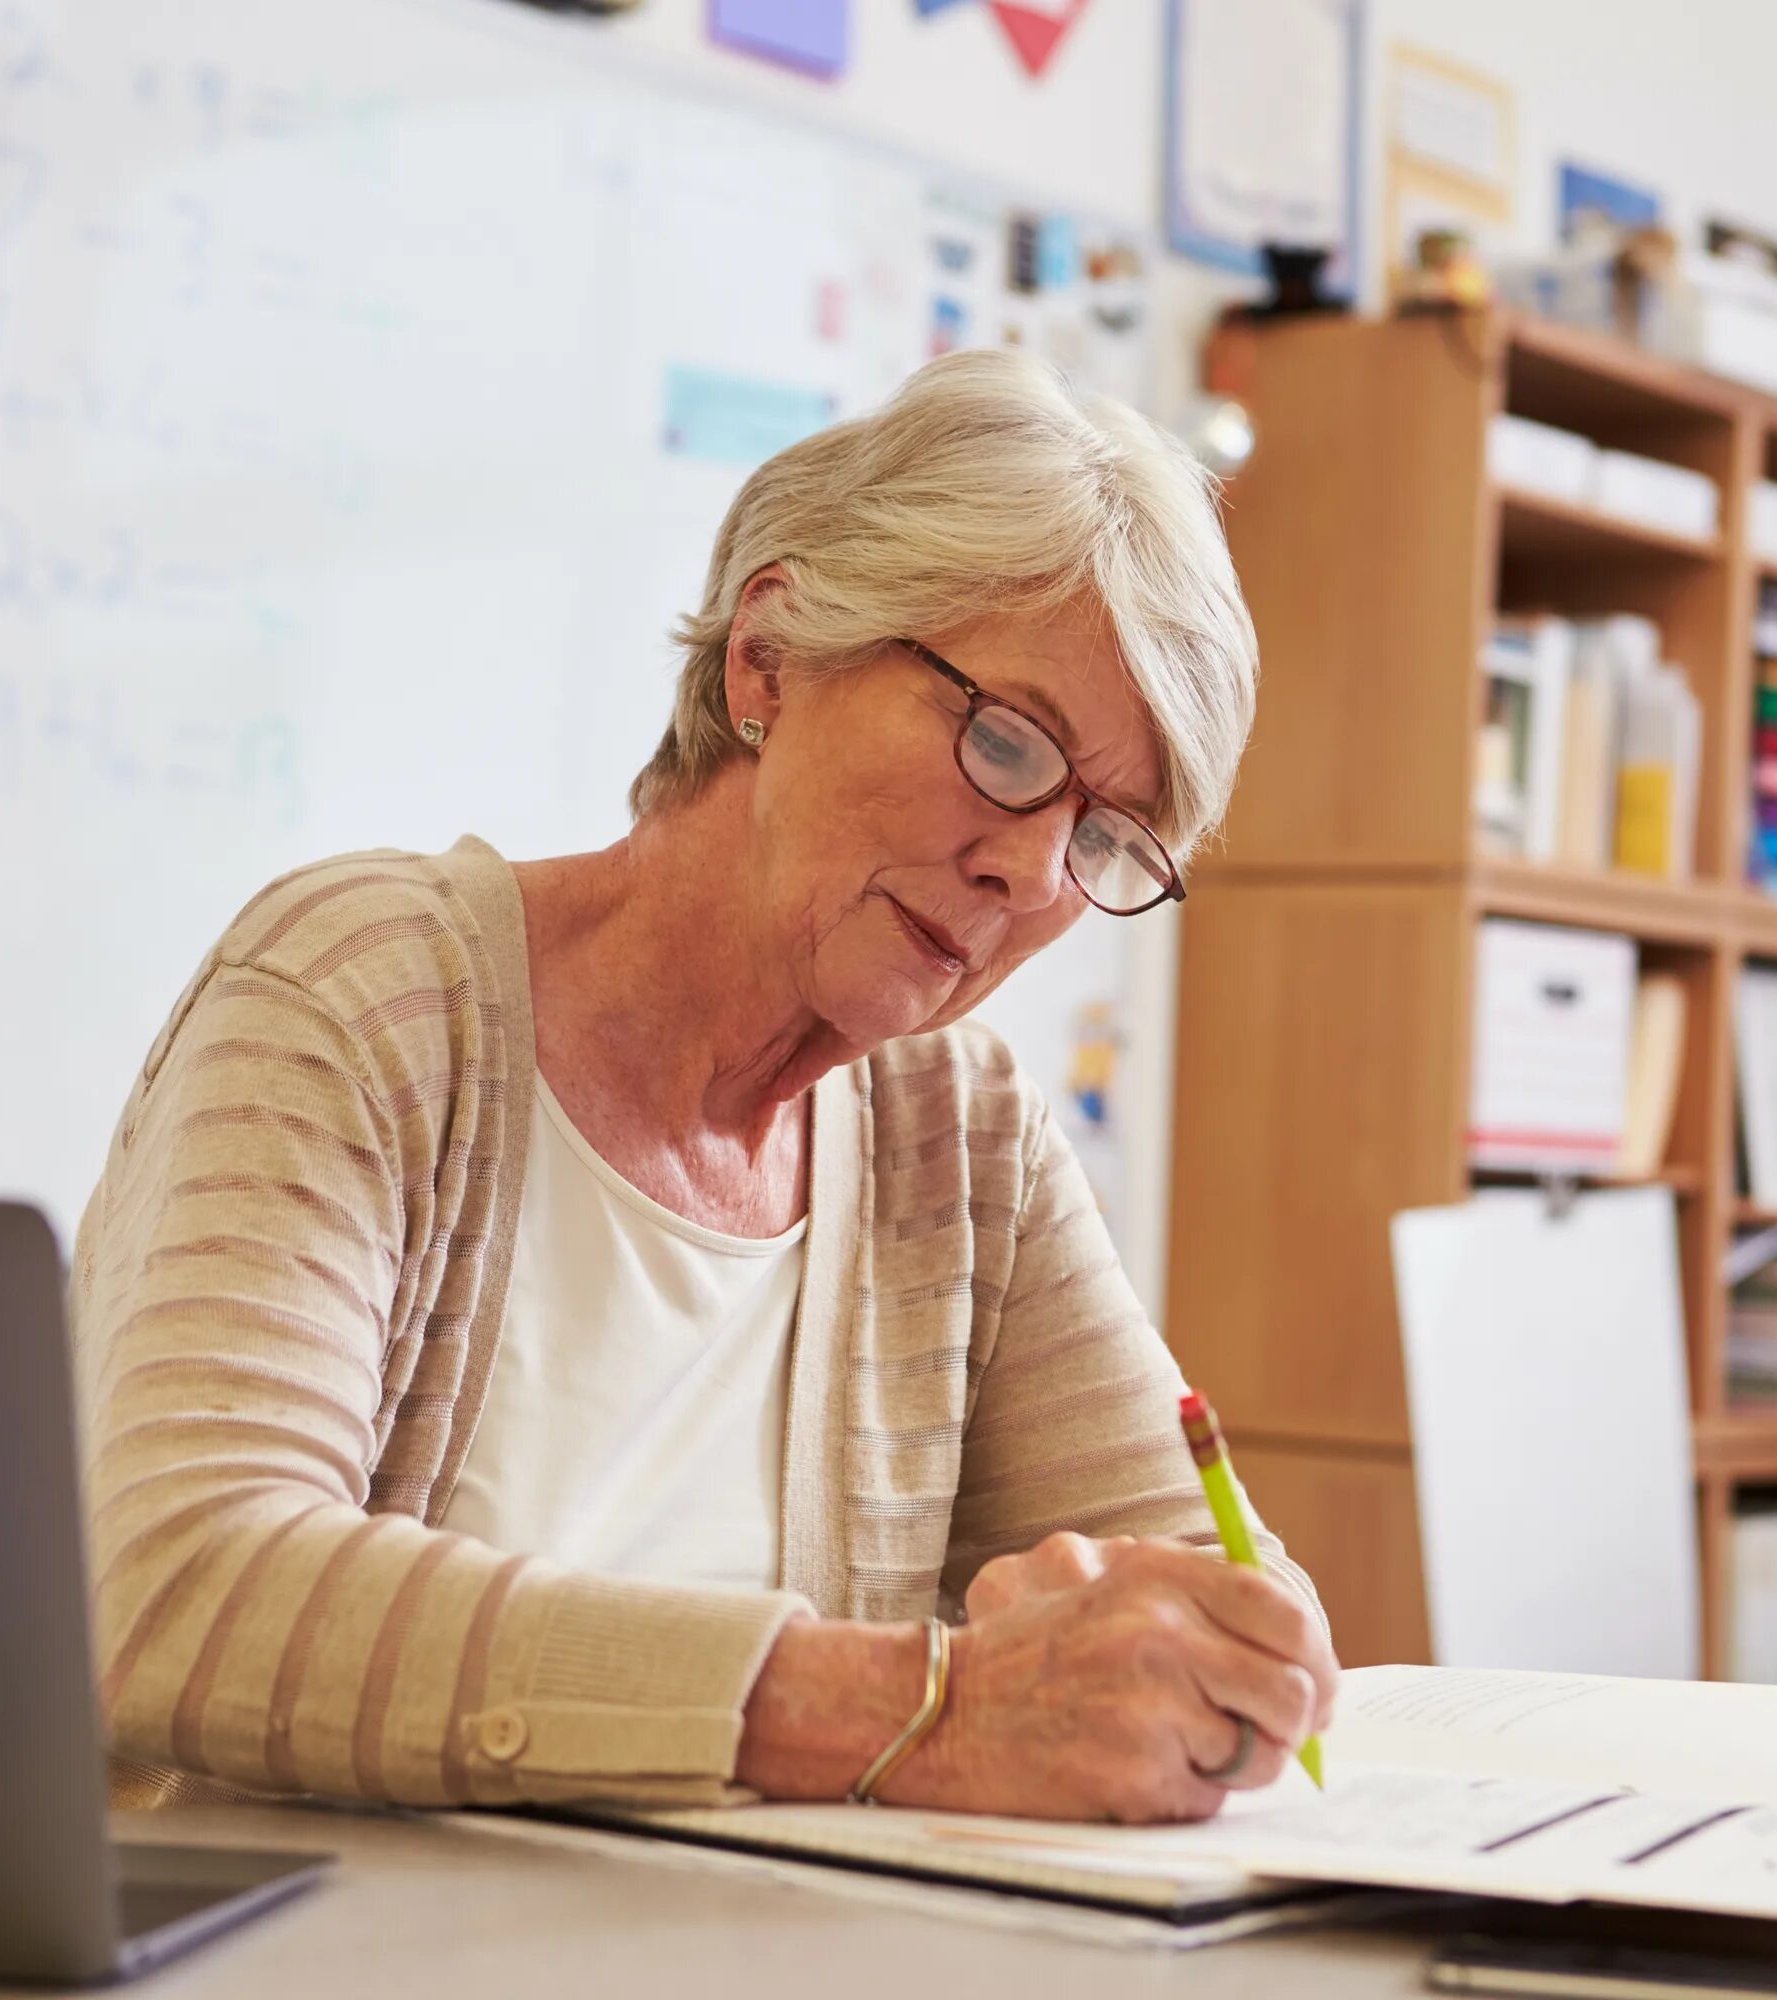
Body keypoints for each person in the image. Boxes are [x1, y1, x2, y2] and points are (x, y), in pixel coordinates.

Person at [71, 349, 1335, 1826]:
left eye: (1108, 838)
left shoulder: (962, 1137)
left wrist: (1223, 1660)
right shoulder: (365, 992)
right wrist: (922, 1713)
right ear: (770, 659)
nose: (1029, 870)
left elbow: (1208, 1608)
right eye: (1007, 746)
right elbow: (185, 1588)